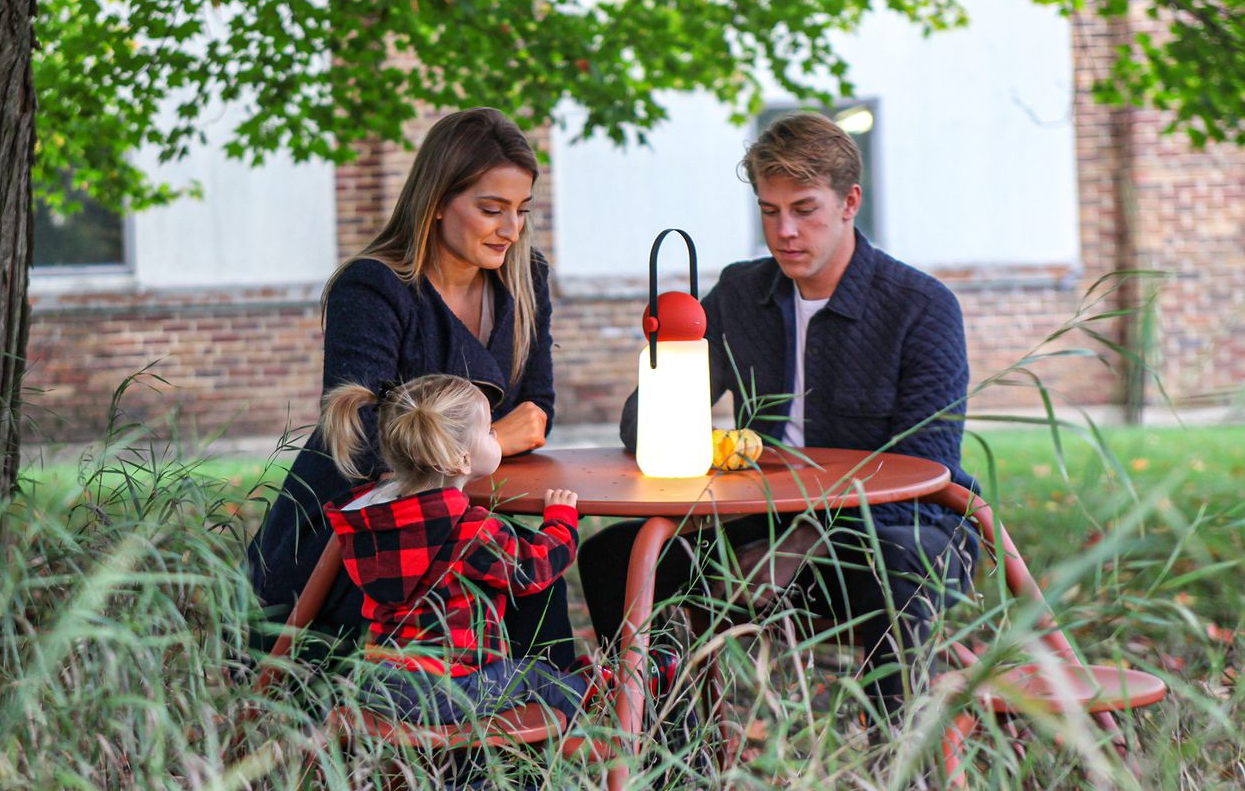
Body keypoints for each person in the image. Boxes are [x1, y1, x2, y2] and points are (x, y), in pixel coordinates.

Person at [577, 110, 982, 719]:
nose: (785, 230)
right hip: (759, 523)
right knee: (614, 555)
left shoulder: (920, 307)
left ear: (850, 202)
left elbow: (925, 468)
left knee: (892, 564)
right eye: (769, 211)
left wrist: (804, 539)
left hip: (901, 532)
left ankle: (899, 760)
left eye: (804, 209)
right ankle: (675, 751)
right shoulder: (742, 294)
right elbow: (642, 419)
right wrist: (696, 434)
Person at [248, 107, 574, 669]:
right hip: (356, 532)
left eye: (521, 211)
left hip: (459, 518)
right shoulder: (374, 287)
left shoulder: (526, 279)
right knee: (463, 593)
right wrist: (488, 438)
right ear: (440, 199)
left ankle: (534, 738)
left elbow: (536, 411)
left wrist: (482, 444)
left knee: (534, 579)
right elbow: (354, 430)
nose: (511, 229)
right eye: (491, 210)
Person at [321, 374, 586, 723]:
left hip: (377, 683)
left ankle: (453, 775)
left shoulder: (370, 518)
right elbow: (534, 568)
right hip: (444, 691)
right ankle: (589, 742)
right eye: (490, 430)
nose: (496, 436)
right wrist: (561, 521)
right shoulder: (468, 529)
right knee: (543, 680)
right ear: (461, 460)